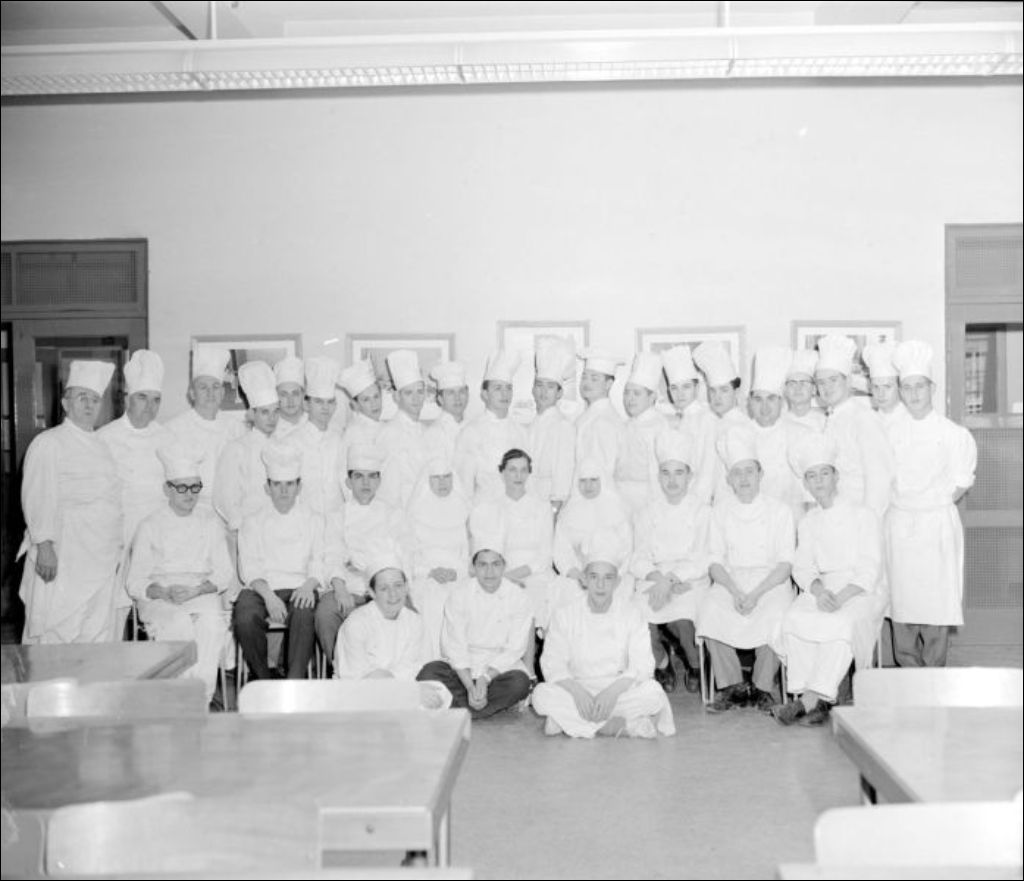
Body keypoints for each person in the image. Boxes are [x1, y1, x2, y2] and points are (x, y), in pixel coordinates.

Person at [773, 433, 886, 726]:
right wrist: (819, 590)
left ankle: (811, 700)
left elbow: (870, 568)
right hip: (824, 587)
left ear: (836, 476)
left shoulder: (863, 515)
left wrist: (841, 597)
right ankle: (813, 697)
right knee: (796, 618)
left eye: (824, 473)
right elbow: (803, 568)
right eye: (811, 476)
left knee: (840, 623)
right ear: (805, 483)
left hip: (860, 591)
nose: (819, 481)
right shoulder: (809, 521)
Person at [532, 530, 676, 739]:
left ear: (617, 582)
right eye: (594, 577)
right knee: (540, 695)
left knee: (654, 693)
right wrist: (578, 693)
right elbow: (552, 663)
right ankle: (617, 726)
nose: (600, 585)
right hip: (578, 688)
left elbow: (643, 665)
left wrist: (612, 693)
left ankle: (570, 722)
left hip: (618, 690)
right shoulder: (565, 615)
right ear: (584, 579)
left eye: (608, 578)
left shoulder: (632, 614)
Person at [18, 360, 122, 644]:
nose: (89, 405)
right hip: (65, 550)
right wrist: (44, 545)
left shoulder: (102, 445)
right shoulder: (49, 442)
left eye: (95, 399)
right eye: (82, 397)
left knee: (96, 631)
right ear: (66, 403)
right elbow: (37, 496)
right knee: (58, 627)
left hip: (100, 554)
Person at [886, 340, 977, 668]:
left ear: (932, 388)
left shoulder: (953, 434)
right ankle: (909, 676)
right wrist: (907, 507)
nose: (913, 394)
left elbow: (961, 481)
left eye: (920, 386)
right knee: (903, 603)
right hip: (899, 526)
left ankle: (934, 678)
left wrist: (929, 505)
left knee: (936, 604)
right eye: (907, 387)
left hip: (936, 527)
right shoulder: (889, 432)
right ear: (900, 391)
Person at [698, 426, 795, 713]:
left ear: (760, 474)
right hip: (731, 580)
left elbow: (785, 564)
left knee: (777, 613)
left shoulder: (780, 511)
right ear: (728, 478)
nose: (744, 479)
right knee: (710, 610)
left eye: (749, 471)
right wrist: (736, 591)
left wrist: (755, 594)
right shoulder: (720, 511)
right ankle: (733, 686)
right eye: (737, 473)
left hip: (771, 582)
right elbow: (715, 561)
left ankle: (763, 686)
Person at [126, 442, 231, 703]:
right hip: (161, 596)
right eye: (182, 487)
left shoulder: (210, 522)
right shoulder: (150, 525)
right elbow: (135, 581)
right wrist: (163, 592)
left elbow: (224, 573)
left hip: (200, 591)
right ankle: (180, 699)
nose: (189, 494)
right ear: (167, 489)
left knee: (211, 624)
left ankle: (201, 698)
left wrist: (197, 590)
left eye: (195, 487)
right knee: (179, 624)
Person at [416, 532, 533, 719]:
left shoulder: (518, 597)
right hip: (463, 670)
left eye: (495, 564)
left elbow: (515, 648)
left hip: (498, 670)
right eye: (482, 565)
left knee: (520, 683)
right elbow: (454, 646)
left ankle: (459, 707)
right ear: (473, 568)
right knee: (429, 672)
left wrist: (485, 679)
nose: (489, 572)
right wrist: (471, 686)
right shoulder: (459, 595)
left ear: (504, 566)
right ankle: (481, 706)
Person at [630, 431, 711, 695]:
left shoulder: (702, 511)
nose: (672, 480)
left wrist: (673, 579)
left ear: (689, 476)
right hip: (655, 578)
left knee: (685, 618)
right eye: (666, 473)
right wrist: (660, 580)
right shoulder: (646, 512)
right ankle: (662, 662)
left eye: (679, 473)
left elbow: (704, 557)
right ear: (659, 476)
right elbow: (638, 557)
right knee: (638, 615)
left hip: (690, 580)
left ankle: (695, 664)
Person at [234, 440, 323, 679]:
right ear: (267, 487)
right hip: (261, 588)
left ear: (299, 487)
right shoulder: (252, 522)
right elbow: (250, 568)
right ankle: (262, 678)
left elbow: (318, 559)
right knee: (245, 617)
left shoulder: (314, 519)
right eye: (277, 484)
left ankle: (294, 681)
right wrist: (269, 597)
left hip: (300, 586)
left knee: (304, 612)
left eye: (289, 484)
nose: (284, 491)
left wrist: (309, 586)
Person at [98, 349, 171, 635]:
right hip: (117, 538)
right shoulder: (105, 438)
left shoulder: (168, 438)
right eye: (142, 397)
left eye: (156, 399)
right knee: (112, 617)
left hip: (156, 539)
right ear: (126, 398)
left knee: (159, 616)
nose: (150, 407)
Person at [314, 444, 408, 666]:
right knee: (325, 613)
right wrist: (340, 590)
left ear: (379, 481)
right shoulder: (338, 516)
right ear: (348, 482)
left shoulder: (393, 515)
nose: (366, 483)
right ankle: (342, 671)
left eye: (371, 476)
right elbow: (333, 556)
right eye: (359, 477)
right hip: (347, 586)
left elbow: (397, 557)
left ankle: (386, 673)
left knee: (406, 615)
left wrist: (358, 563)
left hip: (384, 588)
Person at [334, 553, 452, 709]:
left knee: (437, 681)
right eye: (384, 588)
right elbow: (357, 680)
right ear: (372, 592)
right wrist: (406, 690)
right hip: (363, 696)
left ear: (406, 587)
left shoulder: (415, 621)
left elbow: (420, 666)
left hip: (406, 688)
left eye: (398, 585)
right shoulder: (356, 624)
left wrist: (395, 681)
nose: (393, 594)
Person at [470, 449, 558, 632]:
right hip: (501, 573)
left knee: (536, 597)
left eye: (523, 470)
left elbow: (545, 554)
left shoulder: (541, 507)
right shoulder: (491, 508)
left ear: (529, 473)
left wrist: (516, 575)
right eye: (512, 470)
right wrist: (503, 576)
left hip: (536, 573)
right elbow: (489, 550)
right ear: (502, 472)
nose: (518, 476)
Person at [815, 335, 894, 519]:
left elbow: (880, 478)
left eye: (833, 380)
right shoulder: (831, 418)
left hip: (859, 517)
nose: (827, 387)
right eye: (821, 382)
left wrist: (868, 522)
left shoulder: (863, 418)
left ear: (848, 381)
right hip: (836, 516)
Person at [213, 360, 280, 564]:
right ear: (252, 414)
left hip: (278, 532)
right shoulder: (237, 448)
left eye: (275, 411)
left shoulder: (283, 447)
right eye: (265, 412)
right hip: (247, 534)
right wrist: (241, 528)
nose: (271, 419)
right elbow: (224, 497)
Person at [406, 455, 471, 662]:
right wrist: (430, 572)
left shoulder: (464, 510)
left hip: (458, 576)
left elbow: (469, 554)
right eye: (436, 478)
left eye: (447, 477)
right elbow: (410, 556)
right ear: (427, 481)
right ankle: (433, 663)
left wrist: (456, 572)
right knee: (434, 602)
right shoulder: (415, 513)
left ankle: (460, 664)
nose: (442, 483)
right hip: (425, 577)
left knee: (460, 601)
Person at [166, 347, 245, 512]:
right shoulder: (174, 429)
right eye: (203, 387)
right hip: (192, 512)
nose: (210, 393)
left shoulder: (237, 428)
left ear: (222, 392)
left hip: (232, 511)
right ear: (192, 393)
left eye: (215, 387)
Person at [747, 346, 812, 523]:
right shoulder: (739, 435)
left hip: (793, 521)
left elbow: (811, 493)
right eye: (758, 399)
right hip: (751, 522)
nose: (765, 407)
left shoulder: (801, 434)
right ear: (750, 402)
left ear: (781, 402)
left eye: (771, 399)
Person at [455, 350, 529, 503]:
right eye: (498, 388)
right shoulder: (471, 432)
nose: (504, 394)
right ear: (485, 394)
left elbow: (529, 480)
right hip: (484, 509)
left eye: (508, 388)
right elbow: (463, 485)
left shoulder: (521, 432)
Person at [553, 456, 631, 596]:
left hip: (614, 578)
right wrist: (576, 575)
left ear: (602, 480)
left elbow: (627, 551)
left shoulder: (618, 510)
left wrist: (613, 575)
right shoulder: (567, 514)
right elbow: (561, 552)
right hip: (577, 579)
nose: (588, 486)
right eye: (583, 480)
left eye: (593, 480)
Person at [692, 341, 750, 505]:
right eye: (713, 391)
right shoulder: (709, 422)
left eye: (724, 390)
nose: (717, 397)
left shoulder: (742, 426)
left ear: (736, 392)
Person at [614, 352, 669, 514]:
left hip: (646, 498)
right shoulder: (626, 425)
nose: (630, 399)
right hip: (621, 497)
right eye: (627, 393)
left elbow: (657, 472)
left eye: (636, 393)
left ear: (652, 397)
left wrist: (657, 508)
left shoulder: (657, 426)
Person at [662, 345, 716, 506]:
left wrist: (696, 503)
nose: (680, 394)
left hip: (698, 500)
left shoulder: (707, 418)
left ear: (697, 387)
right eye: (674, 388)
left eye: (686, 387)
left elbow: (707, 468)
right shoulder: (675, 420)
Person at [291, 356, 345, 519]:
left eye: (330, 402)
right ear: (306, 404)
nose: (325, 408)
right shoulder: (293, 441)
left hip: (336, 519)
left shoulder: (339, 439)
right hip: (304, 521)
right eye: (319, 402)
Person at [527, 338, 576, 514]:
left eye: (550, 387)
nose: (543, 392)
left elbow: (563, 474)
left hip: (548, 504)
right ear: (533, 389)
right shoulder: (531, 425)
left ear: (559, 393)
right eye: (539, 385)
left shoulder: (563, 426)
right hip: (528, 501)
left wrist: (554, 511)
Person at [376, 349, 429, 507]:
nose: (416, 398)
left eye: (420, 392)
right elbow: (386, 489)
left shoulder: (425, 430)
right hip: (401, 512)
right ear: (397, 397)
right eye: (409, 393)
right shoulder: (389, 433)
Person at [574, 348, 625, 480]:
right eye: (584, 377)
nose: (586, 383)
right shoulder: (590, 415)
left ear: (608, 384)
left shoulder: (605, 420)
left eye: (594, 378)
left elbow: (604, 470)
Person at [337, 360, 383, 499]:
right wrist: (358, 505)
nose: (374, 404)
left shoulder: (383, 427)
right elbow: (342, 473)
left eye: (376, 396)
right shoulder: (354, 432)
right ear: (355, 405)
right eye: (366, 400)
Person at [424, 361, 469, 457]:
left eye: (461, 391)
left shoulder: (473, 427)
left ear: (467, 395)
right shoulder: (433, 434)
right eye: (451, 393)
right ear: (440, 399)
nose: (457, 398)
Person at [862, 341, 909, 428]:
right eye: (876, 387)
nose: (881, 394)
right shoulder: (867, 421)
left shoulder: (911, 421)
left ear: (900, 386)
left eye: (887, 387)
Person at [782, 349, 826, 432]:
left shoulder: (825, 423)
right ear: (785, 389)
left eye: (803, 383)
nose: (797, 388)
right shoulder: (778, 422)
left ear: (814, 389)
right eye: (792, 383)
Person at [273, 355, 308, 439]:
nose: (290, 401)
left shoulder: (315, 423)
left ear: (303, 394)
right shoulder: (270, 428)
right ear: (276, 396)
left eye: (295, 394)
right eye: (284, 394)